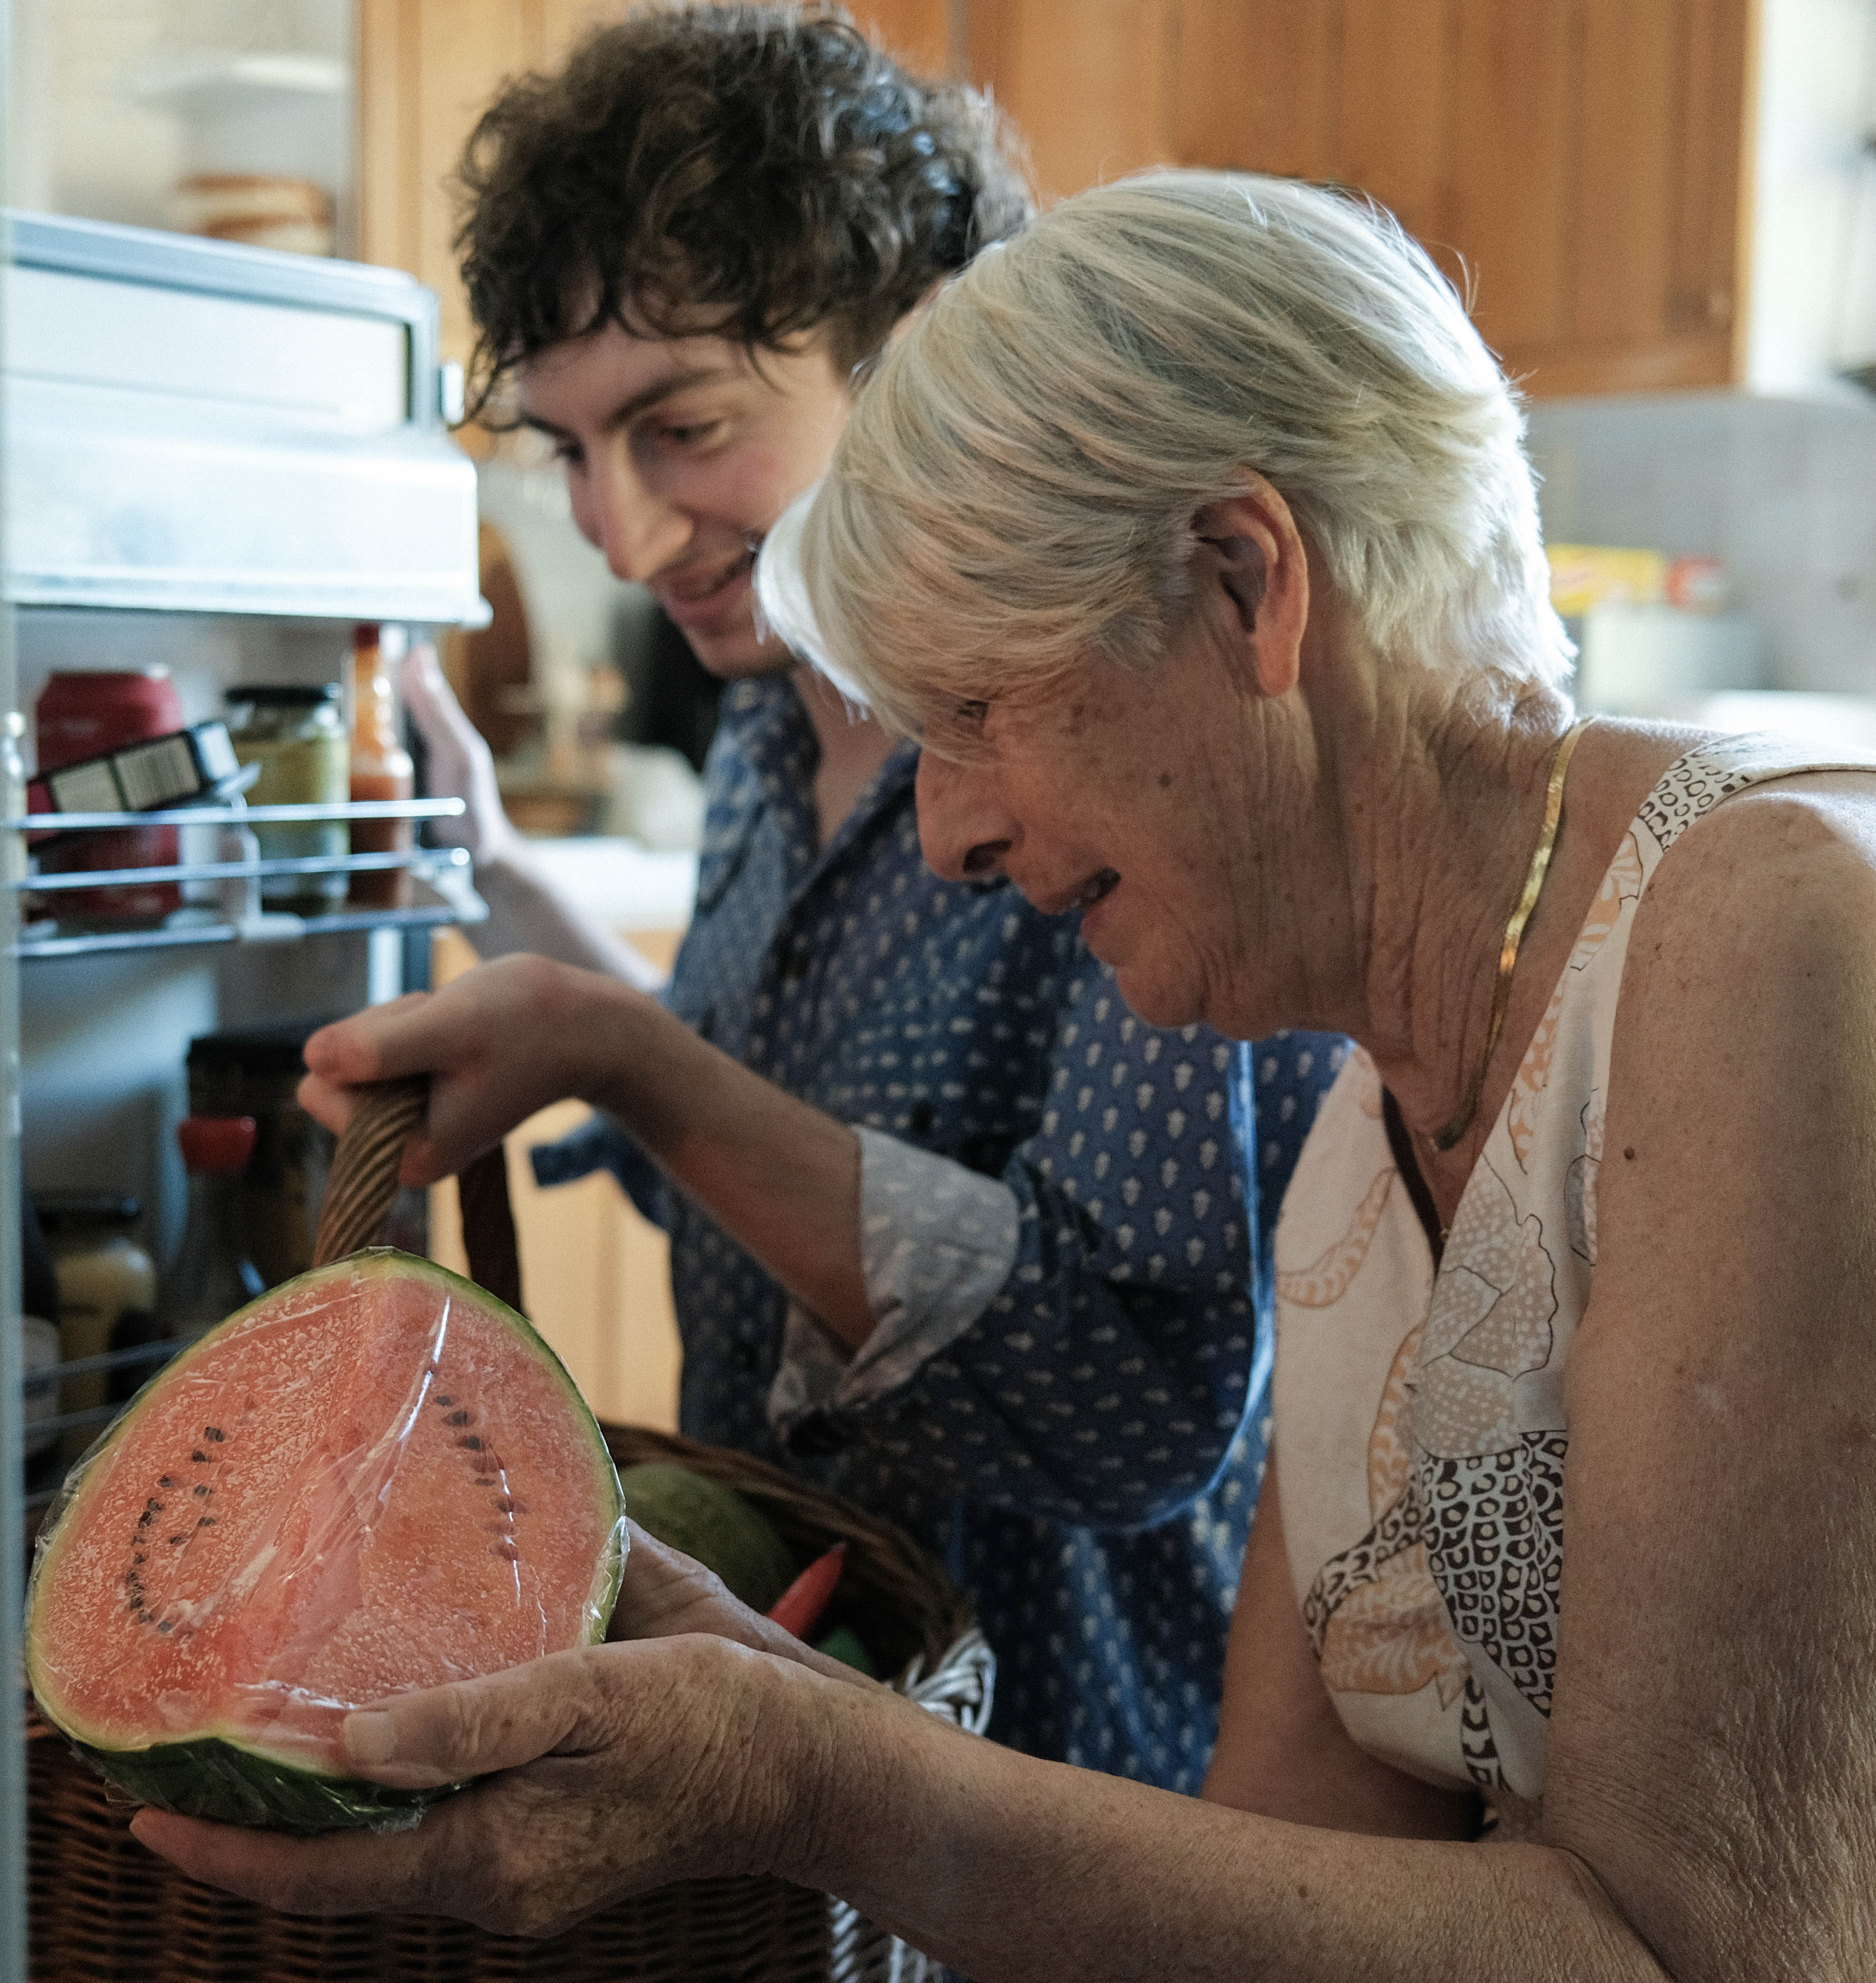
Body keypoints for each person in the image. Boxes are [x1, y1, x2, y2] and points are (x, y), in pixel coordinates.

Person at [143, 167, 1876, 1978]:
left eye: (975, 713)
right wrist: (791, 1719)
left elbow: (1707, 1952)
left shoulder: (1767, 936)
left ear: (1243, 580)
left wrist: (825, 1783)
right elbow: (1296, 1873)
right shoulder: (1366, 1124)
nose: (950, 831)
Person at [332, 6, 1343, 1787]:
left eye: (683, 426)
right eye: (569, 453)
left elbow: (1132, 1410)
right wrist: (482, 868)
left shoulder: (1111, 745)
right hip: (788, 1739)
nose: (627, 537)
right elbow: (724, 1139)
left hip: (1055, 1776)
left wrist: (617, 1057)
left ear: (917, 351)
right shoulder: (756, 726)